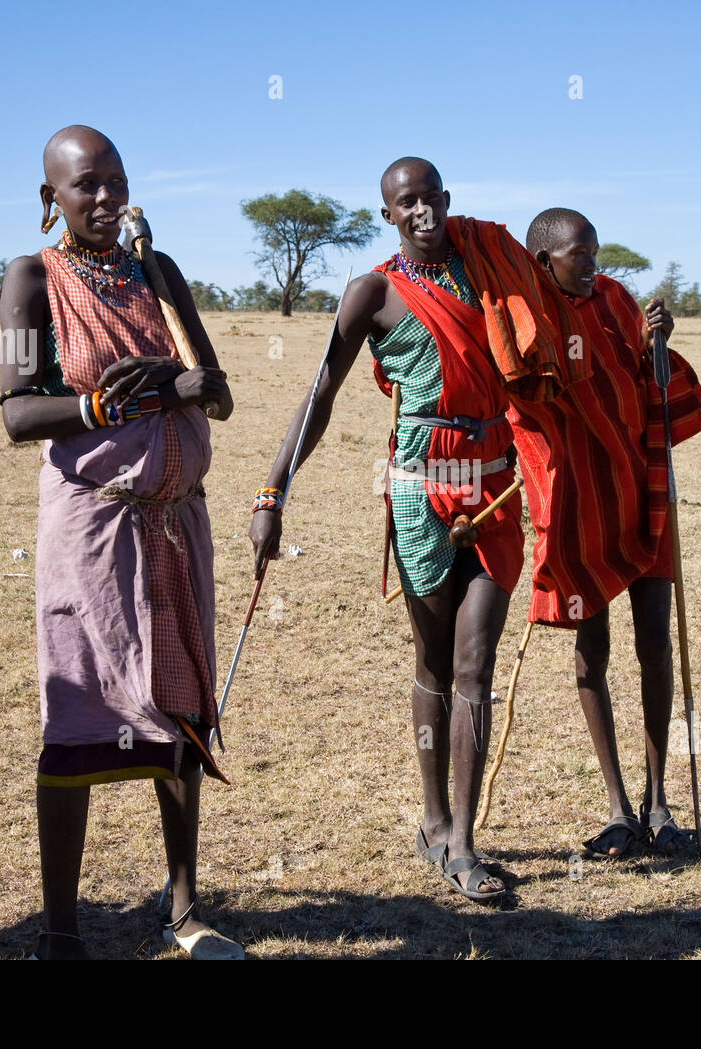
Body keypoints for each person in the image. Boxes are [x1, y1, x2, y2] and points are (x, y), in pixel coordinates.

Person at [249, 158, 583, 902]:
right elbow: (320, 396)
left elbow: (565, 289)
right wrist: (274, 489)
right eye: (407, 203)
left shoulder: (489, 269)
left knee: (475, 663)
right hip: (420, 489)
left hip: (495, 483)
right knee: (433, 660)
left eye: (432, 197)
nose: (423, 210)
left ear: (448, 202)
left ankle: (464, 841)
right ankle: (433, 819)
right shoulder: (373, 292)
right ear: (389, 216)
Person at [0, 125, 238, 959]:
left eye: (117, 182)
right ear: (49, 200)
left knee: (178, 716)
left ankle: (183, 909)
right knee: (79, 715)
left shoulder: (159, 272)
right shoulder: (32, 278)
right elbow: (18, 413)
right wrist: (110, 406)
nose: (105, 200)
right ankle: (62, 931)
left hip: (179, 522)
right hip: (93, 528)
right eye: (84, 186)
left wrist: (191, 385)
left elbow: (216, 393)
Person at [512, 207, 701, 858]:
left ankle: (659, 801)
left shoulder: (617, 298)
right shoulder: (526, 313)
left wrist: (658, 340)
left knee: (655, 637)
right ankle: (618, 807)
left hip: (640, 482)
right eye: (580, 254)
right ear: (545, 260)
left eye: (596, 251)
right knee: (590, 645)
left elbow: (646, 379)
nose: (594, 264)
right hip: (577, 499)